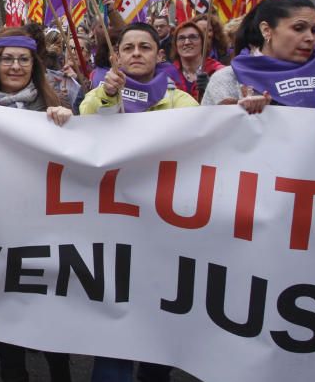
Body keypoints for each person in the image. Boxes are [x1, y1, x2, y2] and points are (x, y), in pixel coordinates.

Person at [80, 24, 197, 382]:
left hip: (162, 227)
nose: (135, 54)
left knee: (155, 322)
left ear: (159, 55)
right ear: (116, 57)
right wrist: (108, 97)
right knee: (113, 322)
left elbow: (197, 140)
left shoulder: (180, 100)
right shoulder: (101, 92)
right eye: (127, 48)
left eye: (144, 47)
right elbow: (85, 124)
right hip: (113, 223)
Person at [0, 29, 73, 382]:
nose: (15, 65)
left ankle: (60, 373)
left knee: (52, 309)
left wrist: (67, 122)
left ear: (33, 63)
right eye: (7, 58)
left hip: (44, 227)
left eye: (23, 59)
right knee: (6, 308)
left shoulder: (58, 97)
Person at [202, 0, 315, 119]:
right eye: (298, 28)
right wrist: (237, 114)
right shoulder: (228, 79)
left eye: (314, 30)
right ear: (266, 30)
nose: (310, 37)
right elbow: (210, 138)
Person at [167, 20, 224, 102]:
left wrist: (212, 89)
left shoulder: (219, 72)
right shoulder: (166, 75)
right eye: (181, 38)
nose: (186, 42)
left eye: (193, 37)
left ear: (203, 42)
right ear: (175, 45)